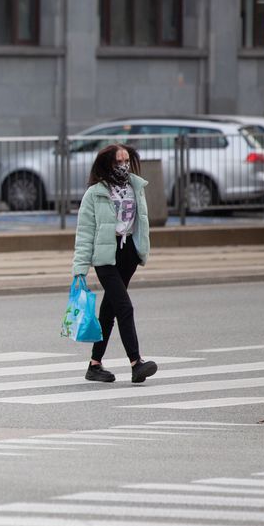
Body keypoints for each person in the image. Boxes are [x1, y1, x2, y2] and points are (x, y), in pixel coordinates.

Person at [72, 143, 156, 384]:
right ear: (108, 164)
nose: (123, 166)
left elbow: (141, 222)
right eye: (118, 162)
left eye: (126, 160)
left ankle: (94, 365)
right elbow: (85, 231)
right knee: (124, 307)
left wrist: (142, 249)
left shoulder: (136, 187)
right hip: (105, 256)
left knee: (109, 311)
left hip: (128, 253)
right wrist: (80, 268)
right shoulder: (95, 193)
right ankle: (136, 363)